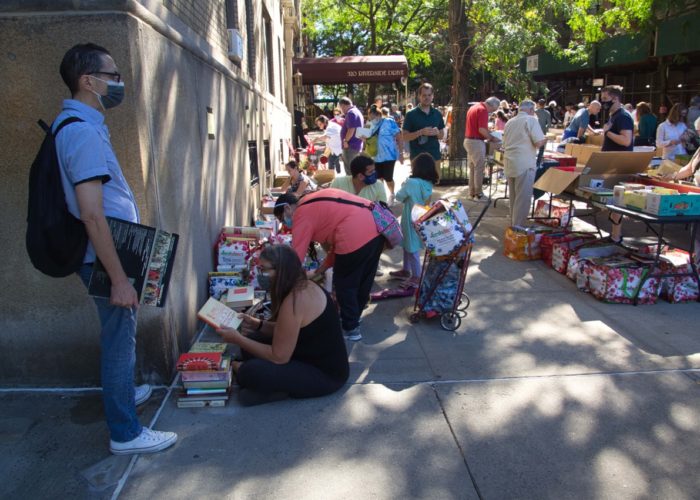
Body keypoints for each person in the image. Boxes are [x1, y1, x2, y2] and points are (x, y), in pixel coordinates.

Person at [54, 43, 176, 455]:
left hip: (111, 254)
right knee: (119, 340)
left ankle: (123, 393)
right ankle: (126, 433)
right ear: (88, 81)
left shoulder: (83, 126)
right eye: (112, 74)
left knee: (119, 338)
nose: (118, 82)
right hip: (104, 261)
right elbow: (92, 215)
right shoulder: (81, 133)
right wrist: (120, 279)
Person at [217, 245, 349, 405]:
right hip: (306, 355)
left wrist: (237, 339)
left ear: (281, 270)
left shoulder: (295, 300)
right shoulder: (301, 287)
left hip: (325, 375)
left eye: (264, 269)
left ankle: (257, 380)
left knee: (250, 371)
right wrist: (258, 324)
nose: (261, 274)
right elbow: (286, 330)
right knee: (252, 340)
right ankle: (273, 389)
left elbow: (279, 357)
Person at [273, 189, 384, 342]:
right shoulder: (313, 199)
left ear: (287, 208)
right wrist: (320, 270)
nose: (285, 223)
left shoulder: (301, 213)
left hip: (354, 235)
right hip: (376, 230)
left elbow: (295, 257)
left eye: (282, 219)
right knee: (364, 280)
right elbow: (335, 251)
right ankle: (354, 318)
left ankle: (351, 328)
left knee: (345, 283)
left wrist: (281, 282)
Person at [391, 153, 438, 287]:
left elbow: (399, 197)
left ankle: (416, 276)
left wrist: (403, 185)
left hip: (409, 218)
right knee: (409, 245)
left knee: (411, 248)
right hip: (420, 217)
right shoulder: (427, 183)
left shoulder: (411, 182)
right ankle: (406, 270)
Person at [502, 100, 547, 227]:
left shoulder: (510, 121)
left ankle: (514, 225)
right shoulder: (531, 120)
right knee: (522, 199)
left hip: (510, 162)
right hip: (524, 163)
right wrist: (546, 139)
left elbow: (504, 143)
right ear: (531, 110)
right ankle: (517, 228)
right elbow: (538, 142)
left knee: (514, 198)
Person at [401, 82, 445, 180]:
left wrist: (438, 133)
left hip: (434, 155)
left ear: (433, 96)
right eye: (424, 95)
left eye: (429, 95)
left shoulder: (437, 114)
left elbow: (442, 135)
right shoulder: (411, 114)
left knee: (433, 185)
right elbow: (404, 136)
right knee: (419, 187)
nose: (427, 97)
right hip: (418, 157)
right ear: (419, 96)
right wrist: (420, 132)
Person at [463, 96, 501, 200]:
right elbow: (482, 130)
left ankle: (472, 193)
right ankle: (478, 194)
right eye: (494, 109)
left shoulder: (474, 107)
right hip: (475, 142)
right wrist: (492, 138)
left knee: (473, 168)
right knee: (479, 168)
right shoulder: (483, 110)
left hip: (469, 140)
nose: (492, 112)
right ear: (492, 105)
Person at [366, 105, 402, 202]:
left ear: (379, 115)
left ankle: (392, 194)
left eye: (373, 117)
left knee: (388, 177)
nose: (372, 119)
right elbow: (365, 139)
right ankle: (381, 196)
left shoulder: (389, 121)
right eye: (370, 117)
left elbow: (398, 136)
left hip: (389, 155)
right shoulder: (369, 125)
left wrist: (401, 153)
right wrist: (363, 138)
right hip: (376, 156)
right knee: (378, 178)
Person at [600, 85, 634, 152]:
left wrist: (607, 132)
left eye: (605, 98)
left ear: (615, 99)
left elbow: (626, 141)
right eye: (602, 99)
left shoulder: (623, 116)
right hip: (611, 159)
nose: (602, 102)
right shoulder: (613, 115)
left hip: (618, 160)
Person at [339, 97, 364, 175]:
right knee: (354, 170)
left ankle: (350, 187)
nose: (341, 110)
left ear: (343, 105)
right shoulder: (357, 112)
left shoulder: (351, 113)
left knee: (350, 171)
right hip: (355, 145)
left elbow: (351, 129)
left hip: (350, 146)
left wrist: (345, 141)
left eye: (341, 107)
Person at [535, 99, 552, 166]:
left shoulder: (535, 112)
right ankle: (538, 163)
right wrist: (545, 128)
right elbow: (549, 124)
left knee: (533, 146)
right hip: (543, 132)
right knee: (541, 148)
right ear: (545, 104)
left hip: (534, 131)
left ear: (538, 104)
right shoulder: (547, 113)